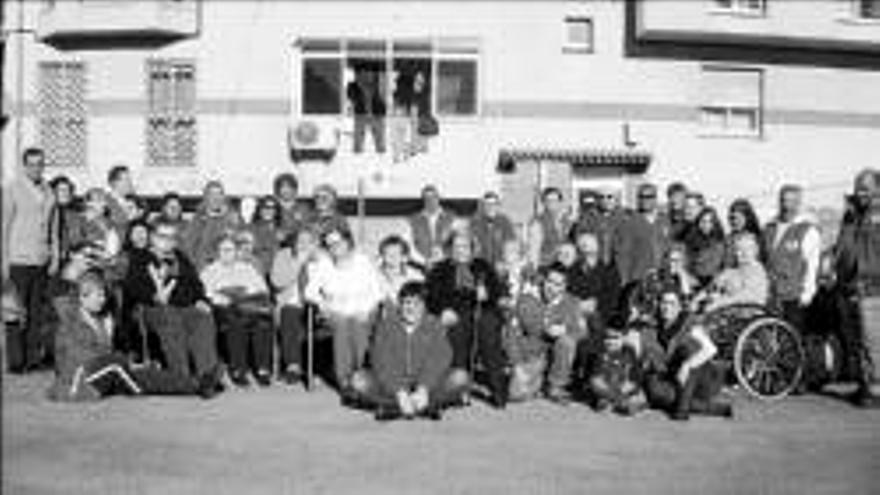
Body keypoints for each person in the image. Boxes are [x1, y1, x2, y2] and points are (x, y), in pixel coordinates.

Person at [47, 270, 222, 401]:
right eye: (98, 295)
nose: (102, 300)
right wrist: (121, 362)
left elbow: (104, 352)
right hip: (75, 382)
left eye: (103, 295)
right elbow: (74, 357)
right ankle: (137, 387)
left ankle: (197, 384)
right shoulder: (69, 321)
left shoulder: (100, 320)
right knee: (120, 365)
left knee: (143, 371)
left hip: (100, 373)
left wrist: (126, 363)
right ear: (83, 298)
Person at [350, 282, 468, 421]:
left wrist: (423, 388)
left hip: (425, 382)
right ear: (399, 305)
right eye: (407, 303)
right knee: (359, 381)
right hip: (393, 382)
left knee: (460, 377)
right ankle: (422, 406)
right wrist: (399, 392)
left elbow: (440, 358)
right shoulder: (386, 325)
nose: (411, 308)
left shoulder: (434, 325)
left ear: (424, 306)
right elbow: (381, 361)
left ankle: (395, 408)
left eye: (417, 304)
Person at [613, 288, 733, 420]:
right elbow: (645, 354)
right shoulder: (653, 327)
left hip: (700, 379)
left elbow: (710, 349)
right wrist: (626, 341)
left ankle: (682, 410)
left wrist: (687, 365)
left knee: (687, 349)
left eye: (672, 304)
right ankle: (712, 408)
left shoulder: (690, 323)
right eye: (664, 302)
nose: (666, 307)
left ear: (679, 307)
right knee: (655, 391)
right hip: (675, 379)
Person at [124, 220, 222, 381]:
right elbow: (134, 287)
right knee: (169, 317)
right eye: (163, 236)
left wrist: (200, 299)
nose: (168, 241)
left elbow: (196, 284)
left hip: (184, 306)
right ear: (153, 237)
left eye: (172, 237)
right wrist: (153, 296)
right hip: (152, 308)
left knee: (203, 316)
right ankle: (182, 375)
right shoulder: (141, 257)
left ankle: (206, 374)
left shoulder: (180, 258)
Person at [426, 231, 509, 408]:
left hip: (482, 311)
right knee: (457, 336)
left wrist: (487, 293)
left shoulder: (483, 265)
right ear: (450, 249)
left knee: (488, 335)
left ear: (472, 249)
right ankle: (459, 388)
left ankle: (498, 389)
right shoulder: (440, 269)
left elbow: (497, 290)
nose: (461, 250)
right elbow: (432, 296)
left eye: (465, 246)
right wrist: (443, 310)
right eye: (456, 247)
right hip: (454, 312)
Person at [304, 226, 384, 394]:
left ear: (347, 242)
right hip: (335, 313)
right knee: (341, 324)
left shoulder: (363, 261)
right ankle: (345, 381)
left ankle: (362, 375)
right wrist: (323, 305)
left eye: (338, 242)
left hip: (364, 310)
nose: (335, 246)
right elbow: (309, 292)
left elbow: (378, 291)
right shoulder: (324, 265)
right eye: (330, 244)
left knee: (356, 324)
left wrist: (367, 310)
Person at [2, 148, 55, 373]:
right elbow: (3, 226)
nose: (36, 168)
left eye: (40, 164)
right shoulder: (12, 189)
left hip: (41, 258)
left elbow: (52, 227)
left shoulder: (49, 190)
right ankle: (15, 361)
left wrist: (54, 254)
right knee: (14, 311)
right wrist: (3, 260)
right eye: (32, 164)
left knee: (36, 313)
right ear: (24, 166)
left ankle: (32, 359)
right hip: (18, 259)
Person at [834, 169, 880, 408]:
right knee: (859, 340)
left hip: (874, 287)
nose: (860, 192)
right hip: (851, 286)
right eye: (858, 187)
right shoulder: (851, 215)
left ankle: (876, 391)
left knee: (873, 341)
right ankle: (865, 384)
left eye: (865, 187)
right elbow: (843, 247)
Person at [202, 234, 273, 387]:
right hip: (224, 309)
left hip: (248, 306)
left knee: (263, 323)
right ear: (217, 252)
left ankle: (262, 369)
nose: (228, 253)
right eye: (224, 250)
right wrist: (222, 297)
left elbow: (263, 289)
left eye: (231, 250)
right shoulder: (209, 271)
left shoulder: (247, 268)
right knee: (236, 322)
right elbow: (206, 293)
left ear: (236, 252)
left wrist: (246, 293)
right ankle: (238, 369)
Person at [271, 227, 327, 384]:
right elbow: (278, 282)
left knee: (318, 323)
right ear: (293, 243)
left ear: (315, 244)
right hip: (291, 302)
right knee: (289, 313)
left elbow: (329, 285)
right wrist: (297, 264)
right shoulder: (283, 256)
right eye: (300, 241)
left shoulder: (323, 259)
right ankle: (293, 365)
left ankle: (317, 368)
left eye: (308, 241)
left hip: (317, 303)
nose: (304, 245)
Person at [763, 185, 821, 334]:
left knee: (794, 338)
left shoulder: (807, 230)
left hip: (794, 295)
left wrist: (808, 292)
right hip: (772, 295)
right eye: (783, 200)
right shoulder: (769, 228)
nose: (786, 206)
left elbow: (812, 264)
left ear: (799, 203)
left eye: (791, 201)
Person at [627, 243, 698, 324]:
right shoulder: (653, 275)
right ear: (664, 261)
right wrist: (637, 310)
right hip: (646, 320)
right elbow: (637, 296)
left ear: (682, 263)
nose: (671, 264)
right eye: (669, 260)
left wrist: (683, 280)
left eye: (676, 261)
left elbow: (689, 306)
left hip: (670, 324)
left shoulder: (686, 281)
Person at [615, 183, 668, 289]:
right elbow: (623, 254)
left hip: (662, 277)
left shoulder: (664, 221)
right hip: (638, 278)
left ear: (655, 198)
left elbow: (669, 248)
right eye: (641, 197)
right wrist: (624, 279)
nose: (645, 200)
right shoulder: (629, 222)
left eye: (649, 197)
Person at [182, 180, 242, 271]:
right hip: (204, 268)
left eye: (219, 194)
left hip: (228, 268)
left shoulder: (233, 218)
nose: (216, 198)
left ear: (223, 197)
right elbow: (189, 247)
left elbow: (242, 243)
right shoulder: (198, 219)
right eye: (212, 194)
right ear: (206, 197)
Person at [567, 231, 622, 328]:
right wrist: (577, 305)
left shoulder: (609, 271)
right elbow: (566, 293)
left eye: (588, 242)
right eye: (582, 242)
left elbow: (613, 297)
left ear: (597, 248)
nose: (584, 244)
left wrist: (596, 303)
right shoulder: (572, 271)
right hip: (575, 315)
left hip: (601, 317)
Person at [701, 234, 769, 312]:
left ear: (755, 250)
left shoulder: (757, 272)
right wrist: (699, 298)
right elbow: (712, 287)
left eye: (747, 249)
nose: (742, 253)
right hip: (729, 313)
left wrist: (721, 302)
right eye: (738, 249)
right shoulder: (731, 272)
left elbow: (746, 296)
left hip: (750, 313)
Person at [407, 184, 455, 267]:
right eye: (426, 198)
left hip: (447, 265)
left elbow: (457, 243)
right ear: (423, 200)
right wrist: (424, 261)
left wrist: (445, 257)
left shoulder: (451, 218)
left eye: (433, 197)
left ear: (438, 198)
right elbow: (409, 245)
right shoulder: (413, 220)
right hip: (421, 264)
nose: (430, 201)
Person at [527, 187, 575, 268]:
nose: (552, 204)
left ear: (560, 202)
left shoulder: (567, 222)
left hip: (566, 266)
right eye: (548, 201)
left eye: (555, 201)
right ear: (544, 203)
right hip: (546, 266)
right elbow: (534, 251)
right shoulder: (538, 223)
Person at [48, 175, 85, 276]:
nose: (66, 193)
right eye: (62, 190)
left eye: (68, 190)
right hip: (51, 260)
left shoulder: (76, 212)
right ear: (53, 192)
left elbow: (79, 238)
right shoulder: (47, 213)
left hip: (71, 260)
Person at [376, 235, 424, 310]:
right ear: (382, 255)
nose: (392, 257)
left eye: (396, 253)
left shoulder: (415, 275)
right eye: (388, 253)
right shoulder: (374, 275)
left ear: (404, 257)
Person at [347, 65, 387, 154]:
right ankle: (357, 161)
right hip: (361, 114)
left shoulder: (379, 85)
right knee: (358, 145)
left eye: (370, 73)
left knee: (380, 144)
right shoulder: (353, 86)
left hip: (376, 113)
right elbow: (350, 97)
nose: (367, 75)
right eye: (364, 73)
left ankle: (381, 161)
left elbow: (385, 94)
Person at [683, 206, 726, 288]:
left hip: (714, 282)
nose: (706, 225)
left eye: (710, 222)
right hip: (694, 281)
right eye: (703, 221)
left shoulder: (720, 243)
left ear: (714, 224)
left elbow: (723, 266)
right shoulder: (690, 242)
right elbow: (686, 264)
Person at [470, 191, 516, 267]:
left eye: (494, 204)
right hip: (482, 265)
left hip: (501, 265)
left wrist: (505, 262)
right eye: (487, 204)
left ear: (498, 206)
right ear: (483, 206)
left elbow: (511, 245)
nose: (490, 207)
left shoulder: (505, 222)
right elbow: (472, 245)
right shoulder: (475, 222)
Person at [724, 198, 765, 268]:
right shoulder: (727, 240)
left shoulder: (757, 239)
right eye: (732, 218)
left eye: (738, 218)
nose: (735, 222)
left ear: (747, 218)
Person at [249, 195, 283, 276]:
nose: (269, 211)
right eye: (266, 207)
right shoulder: (251, 228)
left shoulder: (281, 229)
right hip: (257, 271)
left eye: (272, 208)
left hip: (277, 272)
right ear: (260, 209)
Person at [105, 165, 139, 236]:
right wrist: (129, 218)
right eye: (126, 180)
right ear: (114, 183)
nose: (130, 183)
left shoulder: (132, 202)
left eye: (130, 180)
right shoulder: (105, 202)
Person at [273, 173, 310, 239]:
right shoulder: (274, 208)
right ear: (278, 190)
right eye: (282, 187)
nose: (286, 190)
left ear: (295, 189)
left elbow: (307, 226)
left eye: (289, 187)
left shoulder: (303, 208)